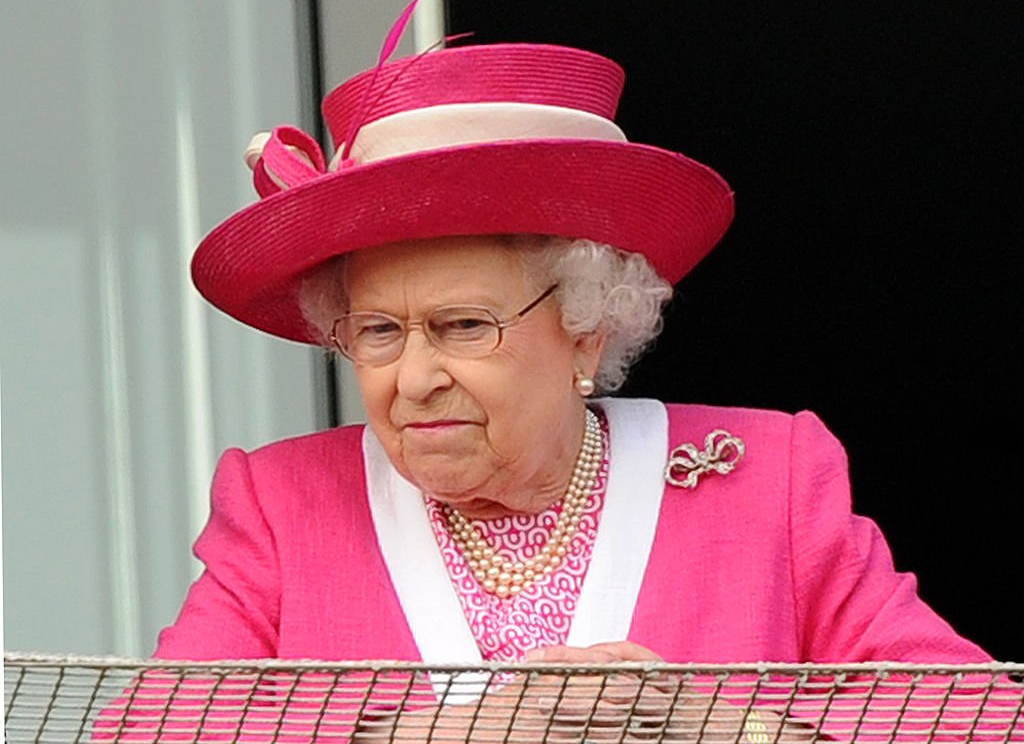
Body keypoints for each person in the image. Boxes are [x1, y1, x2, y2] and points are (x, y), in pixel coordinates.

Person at [138, 36, 1010, 742]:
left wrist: (728, 727)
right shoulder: (284, 504)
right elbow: (147, 732)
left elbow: (979, 717)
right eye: (377, 332)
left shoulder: (768, 478)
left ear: (587, 328)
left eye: (465, 326)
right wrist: (433, 736)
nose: (414, 379)